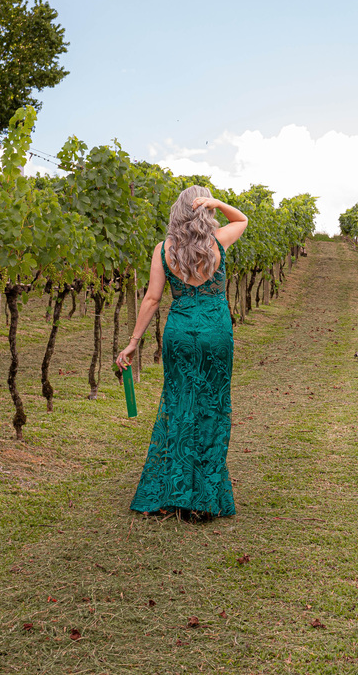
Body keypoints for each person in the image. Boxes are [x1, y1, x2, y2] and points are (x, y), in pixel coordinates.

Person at [116, 185, 248, 520]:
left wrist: (134, 341)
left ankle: (169, 494)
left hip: (180, 332)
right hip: (216, 332)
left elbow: (151, 299)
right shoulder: (218, 241)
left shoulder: (164, 250)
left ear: (177, 212)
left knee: (178, 406)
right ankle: (203, 501)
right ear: (206, 211)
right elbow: (243, 219)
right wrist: (219, 202)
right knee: (212, 408)